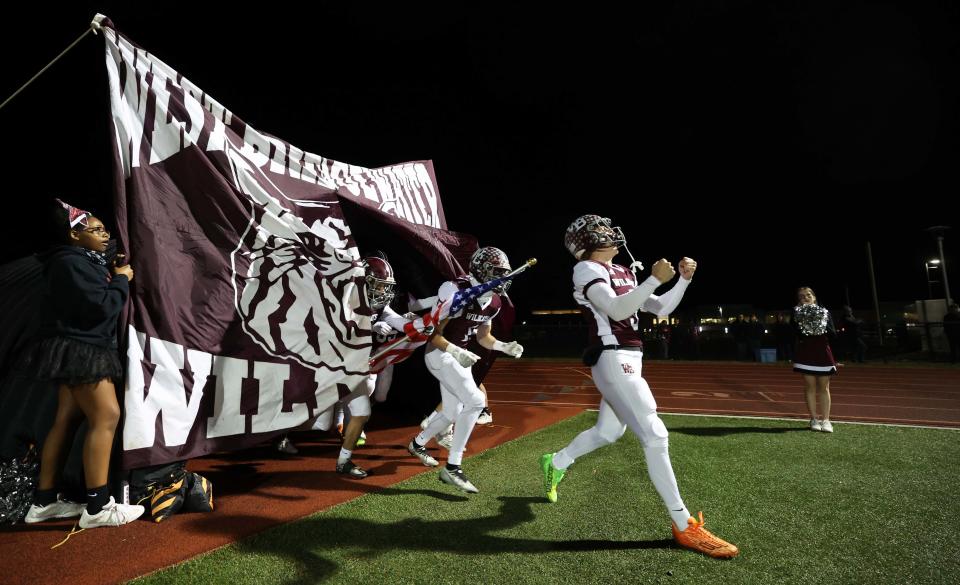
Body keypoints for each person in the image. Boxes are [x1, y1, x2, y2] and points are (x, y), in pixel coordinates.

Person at [539, 215, 738, 559]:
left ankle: (556, 462)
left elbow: (659, 308)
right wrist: (651, 280)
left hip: (630, 357)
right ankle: (683, 524)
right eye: (601, 230)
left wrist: (682, 282)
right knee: (655, 434)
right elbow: (616, 309)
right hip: (614, 359)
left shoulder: (622, 270)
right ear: (587, 240)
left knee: (607, 433)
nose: (610, 232)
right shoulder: (587, 269)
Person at [22, 199, 145, 528]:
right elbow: (102, 307)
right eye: (96, 230)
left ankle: (43, 504)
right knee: (108, 415)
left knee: (66, 420)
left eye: (105, 229)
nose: (105, 234)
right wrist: (120, 279)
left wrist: (112, 262)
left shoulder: (76, 259)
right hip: (84, 349)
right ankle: (97, 507)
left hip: (74, 347)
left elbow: (97, 271)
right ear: (75, 236)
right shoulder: (72, 262)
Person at [406, 246, 523, 493]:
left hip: (458, 358)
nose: (501, 279)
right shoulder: (455, 290)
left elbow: (484, 336)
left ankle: (418, 443)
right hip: (440, 353)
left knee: (451, 411)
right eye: (496, 273)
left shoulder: (494, 301)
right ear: (481, 271)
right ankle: (453, 467)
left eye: (504, 274)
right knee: (476, 400)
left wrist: (503, 346)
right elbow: (433, 335)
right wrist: (456, 351)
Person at [792, 287, 837, 432]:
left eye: (808, 295)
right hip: (806, 352)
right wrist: (802, 319)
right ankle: (814, 419)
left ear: (814, 297)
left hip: (822, 350)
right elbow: (794, 332)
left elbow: (833, 333)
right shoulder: (796, 313)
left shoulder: (824, 312)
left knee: (824, 387)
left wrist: (819, 324)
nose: (805, 297)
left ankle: (826, 420)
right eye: (802, 296)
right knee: (810, 386)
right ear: (799, 300)